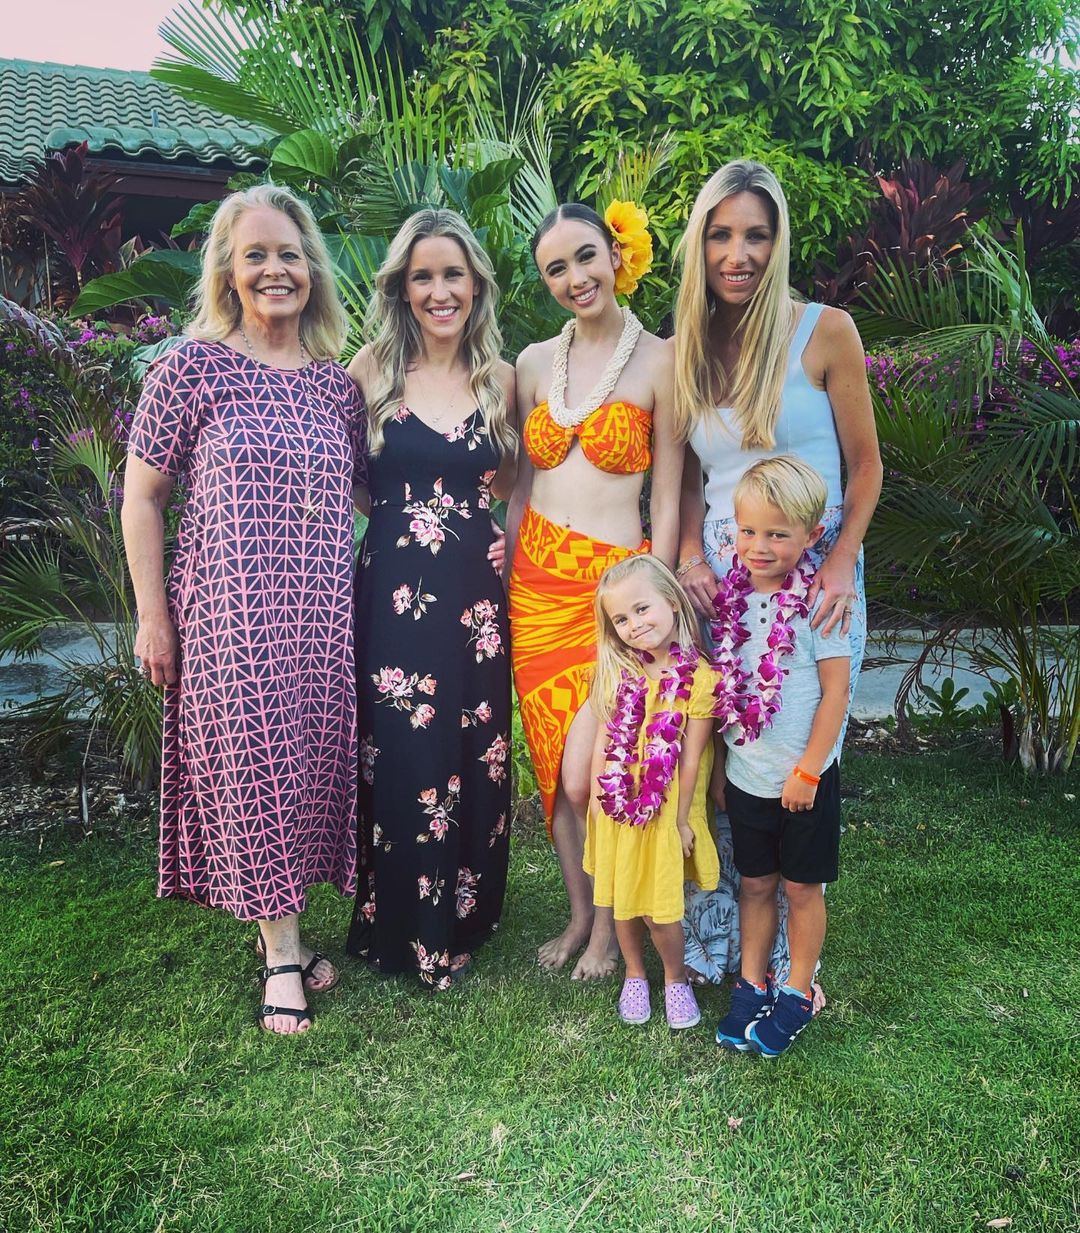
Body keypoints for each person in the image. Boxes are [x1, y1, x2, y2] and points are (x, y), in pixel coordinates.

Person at [122, 184, 368, 1035]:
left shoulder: (337, 387)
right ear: (228, 271)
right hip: (230, 619)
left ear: (313, 270)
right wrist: (153, 615)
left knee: (303, 772)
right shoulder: (190, 367)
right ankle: (284, 956)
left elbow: (378, 490)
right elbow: (142, 497)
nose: (275, 269)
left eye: (289, 254)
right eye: (256, 254)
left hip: (319, 620)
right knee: (255, 769)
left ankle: (283, 931)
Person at [671, 159, 882, 990]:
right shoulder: (691, 346)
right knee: (735, 761)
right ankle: (731, 944)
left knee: (802, 752)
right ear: (700, 244)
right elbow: (694, 479)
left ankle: (799, 958)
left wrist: (841, 561)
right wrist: (691, 556)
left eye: (756, 235)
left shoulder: (825, 332)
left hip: (816, 582)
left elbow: (866, 466)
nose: (739, 254)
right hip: (727, 590)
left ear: (778, 241)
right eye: (721, 235)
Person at [507, 201, 683, 980]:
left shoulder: (661, 362)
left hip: (613, 594)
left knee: (601, 765)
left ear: (616, 254)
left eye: (585, 256)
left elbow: (669, 495)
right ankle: (580, 912)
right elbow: (520, 486)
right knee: (555, 769)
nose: (575, 277)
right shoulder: (532, 363)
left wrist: (658, 600)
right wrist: (501, 571)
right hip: (534, 587)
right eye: (556, 268)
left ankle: (613, 928)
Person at [344, 209, 516, 991]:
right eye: (423, 276)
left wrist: (493, 531)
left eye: (453, 274)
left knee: (475, 748)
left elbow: (509, 482)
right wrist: (405, 523)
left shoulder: (501, 378)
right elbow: (351, 479)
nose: (439, 290)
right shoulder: (369, 370)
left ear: (475, 284)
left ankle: (466, 915)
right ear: (402, 289)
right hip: (393, 598)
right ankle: (403, 920)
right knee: (403, 749)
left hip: (476, 602)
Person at [710, 457, 850, 1055]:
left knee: (802, 889)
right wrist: (721, 771)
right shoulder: (728, 603)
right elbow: (722, 697)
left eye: (777, 533)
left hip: (805, 780)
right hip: (747, 778)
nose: (759, 546)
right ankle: (751, 983)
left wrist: (808, 771)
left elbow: (836, 694)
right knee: (755, 884)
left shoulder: (821, 603)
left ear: (811, 535)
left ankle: (796, 991)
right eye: (748, 531)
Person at [583, 555, 720, 1028]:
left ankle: (675, 979)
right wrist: (599, 804)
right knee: (623, 899)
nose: (634, 625)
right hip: (618, 807)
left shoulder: (700, 679)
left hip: (665, 812)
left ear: (673, 603)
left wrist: (681, 820)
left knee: (661, 910)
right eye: (621, 619)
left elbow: (692, 758)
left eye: (642, 609)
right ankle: (635, 975)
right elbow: (603, 742)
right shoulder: (620, 673)